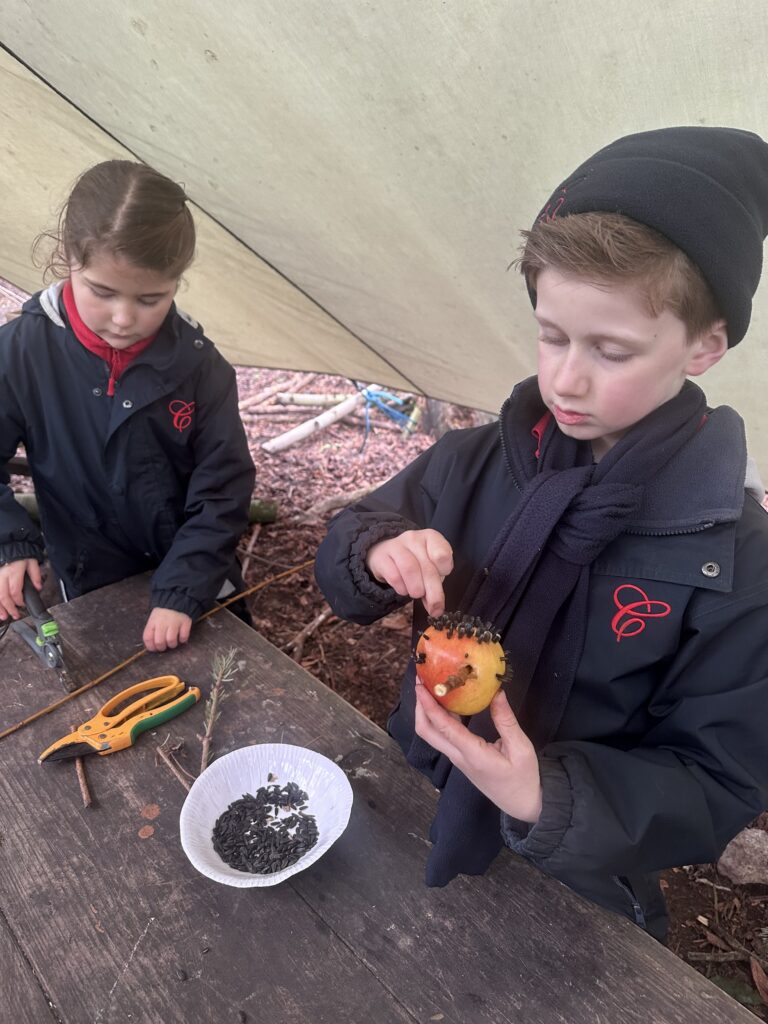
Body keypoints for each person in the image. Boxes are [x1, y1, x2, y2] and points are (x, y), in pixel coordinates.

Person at [315, 126, 768, 941]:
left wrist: (544, 797)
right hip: (415, 774)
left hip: (578, 868)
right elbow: (352, 536)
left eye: (612, 349)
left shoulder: (737, 556)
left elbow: (720, 776)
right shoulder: (478, 460)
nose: (565, 377)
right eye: (551, 334)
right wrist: (377, 551)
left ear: (705, 346)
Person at [0, 160, 255, 652]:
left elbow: (223, 490)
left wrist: (183, 588)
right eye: (102, 292)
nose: (122, 318)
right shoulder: (21, 353)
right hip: (89, 576)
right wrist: (9, 543)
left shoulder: (202, 369)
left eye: (150, 298)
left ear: (177, 281)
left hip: (198, 582)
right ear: (67, 257)